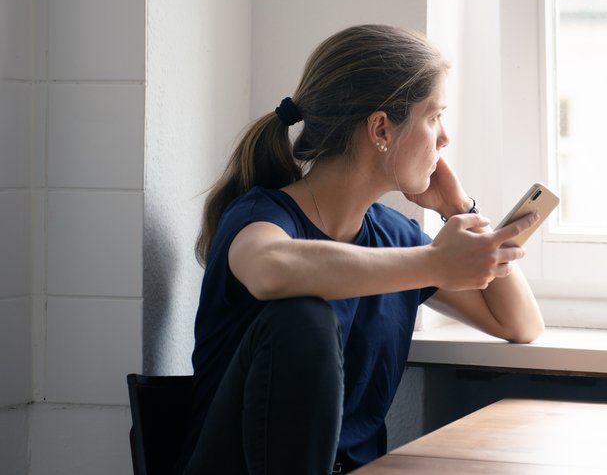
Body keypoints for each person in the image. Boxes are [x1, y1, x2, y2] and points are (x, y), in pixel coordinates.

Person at [178, 24, 545, 475]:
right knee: (303, 316)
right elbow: (270, 269)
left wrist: (459, 208)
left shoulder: (396, 239)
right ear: (380, 129)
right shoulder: (261, 215)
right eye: (433, 117)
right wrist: (433, 262)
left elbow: (520, 323)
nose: (444, 138)